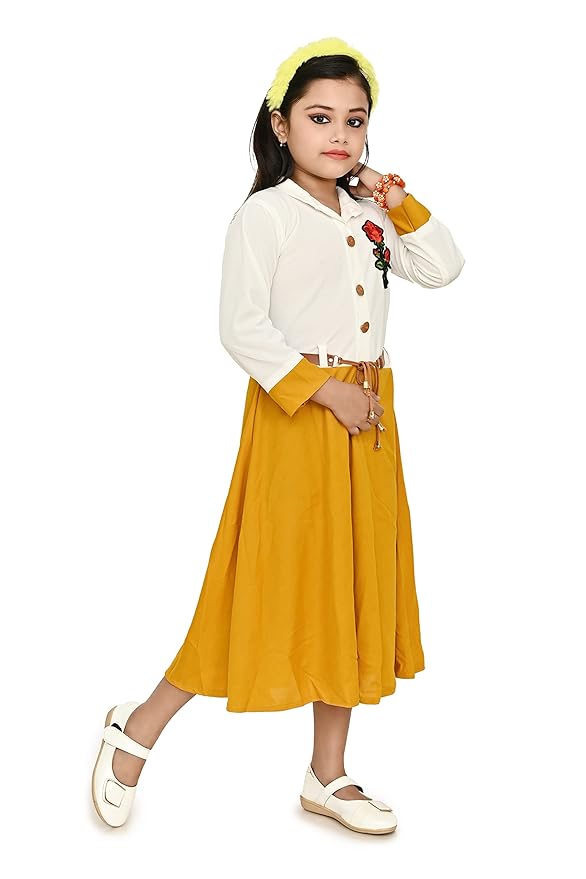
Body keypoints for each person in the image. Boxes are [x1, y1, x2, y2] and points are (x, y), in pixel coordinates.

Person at [91, 35, 465, 835]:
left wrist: (393, 197)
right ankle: (137, 725)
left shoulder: (371, 215)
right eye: (320, 117)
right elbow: (241, 326)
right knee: (255, 581)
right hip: (299, 414)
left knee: (350, 583)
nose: (340, 134)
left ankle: (327, 773)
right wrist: (326, 391)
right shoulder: (265, 215)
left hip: (369, 421)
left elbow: (444, 266)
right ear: (280, 124)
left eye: (355, 120)